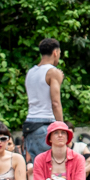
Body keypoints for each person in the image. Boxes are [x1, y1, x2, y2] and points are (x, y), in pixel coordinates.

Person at [24, 38, 65, 167]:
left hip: (30, 126)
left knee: (39, 169)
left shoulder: (30, 72)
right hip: (45, 125)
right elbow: (55, 103)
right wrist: (62, 128)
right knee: (54, 169)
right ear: (55, 53)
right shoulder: (53, 72)